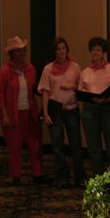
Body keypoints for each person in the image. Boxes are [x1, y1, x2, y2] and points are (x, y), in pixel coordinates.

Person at [0, 36, 48, 185]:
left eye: (23, 51)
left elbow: (35, 88)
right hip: (12, 114)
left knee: (35, 144)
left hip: (30, 112)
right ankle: (16, 175)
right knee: (14, 146)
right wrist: (4, 114)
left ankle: (38, 174)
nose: (22, 54)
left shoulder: (30, 69)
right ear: (11, 54)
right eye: (18, 51)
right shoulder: (4, 72)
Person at [38, 37, 85, 188]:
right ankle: (62, 177)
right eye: (58, 49)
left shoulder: (75, 67)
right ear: (54, 52)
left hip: (71, 110)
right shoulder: (48, 69)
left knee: (76, 145)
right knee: (58, 146)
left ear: (67, 50)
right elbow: (45, 92)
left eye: (63, 48)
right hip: (55, 110)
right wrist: (45, 113)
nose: (61, 51)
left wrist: (73, 85)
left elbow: (82, 87)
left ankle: (79, 177)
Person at [78, 36, 110, 175]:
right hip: (90, 110)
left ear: (103, 52)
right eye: (92, 50)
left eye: (98, 49)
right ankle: (98, 177)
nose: (95, 52)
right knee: (94, 147)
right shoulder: (85, 72)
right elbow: (81, 91)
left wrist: (106, 99)